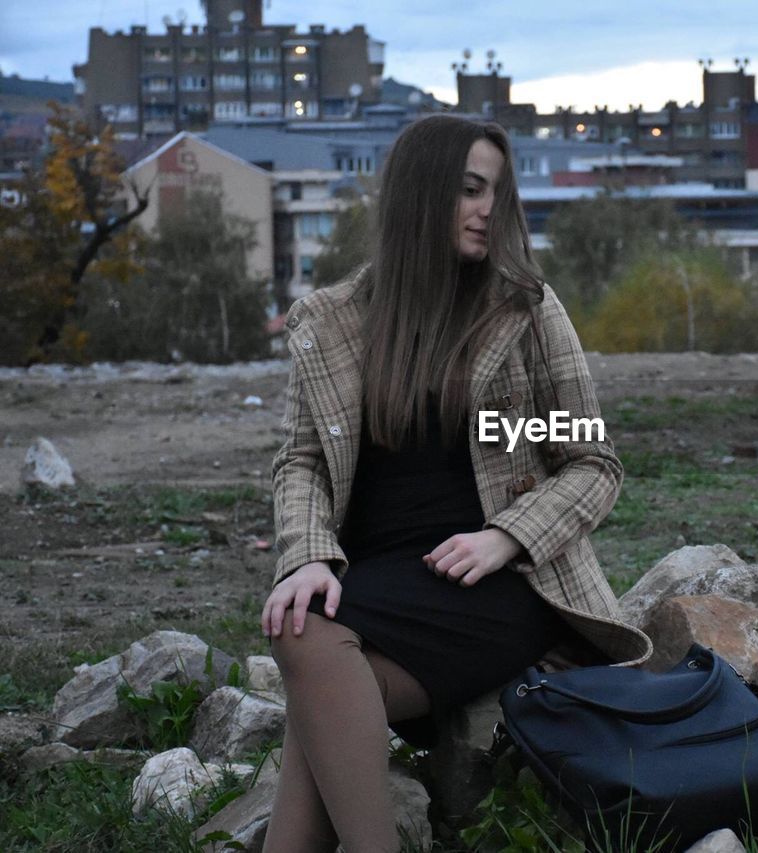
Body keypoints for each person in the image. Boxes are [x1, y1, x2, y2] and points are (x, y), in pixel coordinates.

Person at [260, 114, 652, 853]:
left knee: (308, 644)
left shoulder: (524, 310)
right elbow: (303, 460)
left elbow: (592, 461)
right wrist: (307, 553)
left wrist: (507, 535)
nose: (487, 209)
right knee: (320, 675)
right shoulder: (334, 322)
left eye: (496, 192)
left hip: (496, 584)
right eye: (470, 189)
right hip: (378, 583)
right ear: (421, 192)